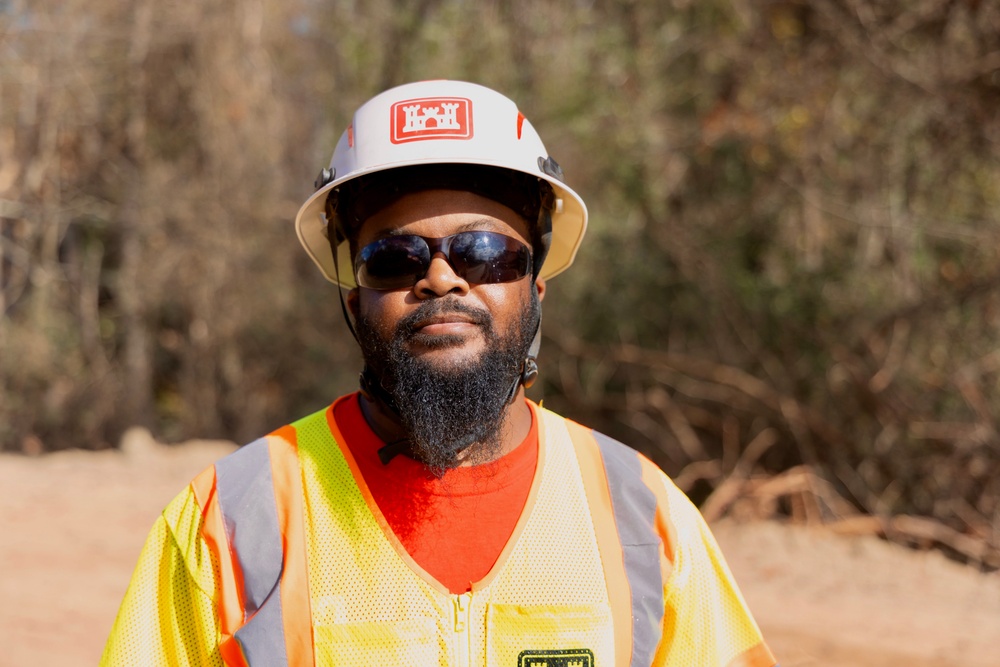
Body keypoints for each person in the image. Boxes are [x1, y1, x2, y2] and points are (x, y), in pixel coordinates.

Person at [101, 80, 777, 667]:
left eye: (484, 252)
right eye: (394, 258)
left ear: (536, 288)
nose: (441, 278)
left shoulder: (646, 519)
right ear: (353, 300)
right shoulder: (228, 523)